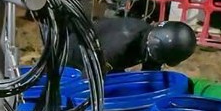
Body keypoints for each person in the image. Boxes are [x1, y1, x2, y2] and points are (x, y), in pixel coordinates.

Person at [67, 18, 197, 73]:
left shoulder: (152, 41)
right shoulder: (121, 45)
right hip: (76, 53)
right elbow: (89, 82)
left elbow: (150, 74)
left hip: (106, 59)